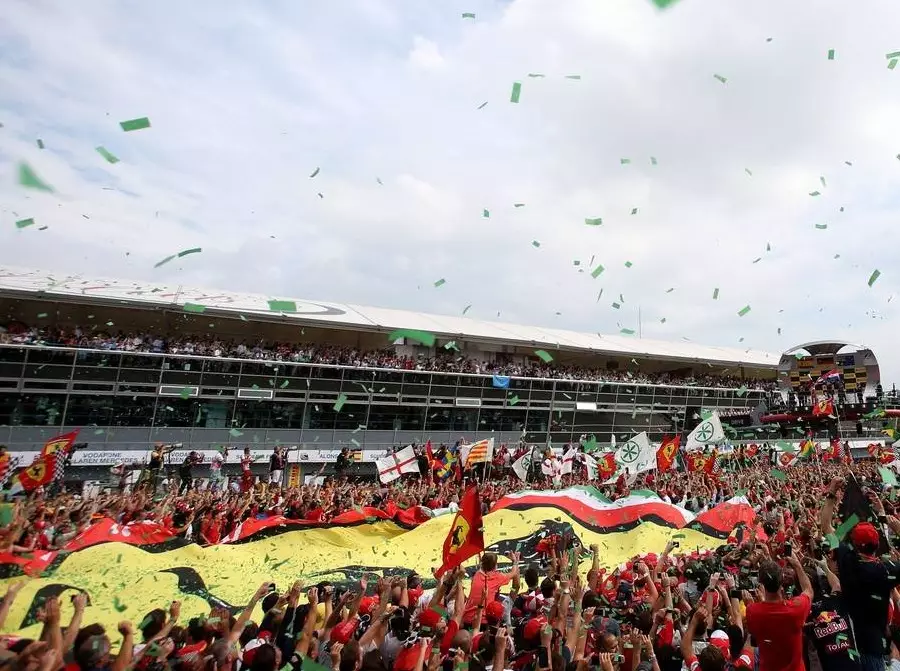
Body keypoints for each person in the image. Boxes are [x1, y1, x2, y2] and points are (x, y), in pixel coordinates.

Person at [820, 476, 900, 671]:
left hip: (849, 642)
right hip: (873, 646)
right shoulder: (885, 570)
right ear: (877, 545)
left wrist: (831, 492)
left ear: (854, 543)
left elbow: (826, 526)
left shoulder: (847, 559)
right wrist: (897, 528)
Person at [745, 553, 813, 671]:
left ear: (761, 582)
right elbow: (808, 591)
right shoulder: (796, 609)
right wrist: (797, 566)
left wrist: (756, 602)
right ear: (782, 580)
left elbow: (757, 626)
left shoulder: (752, 611)